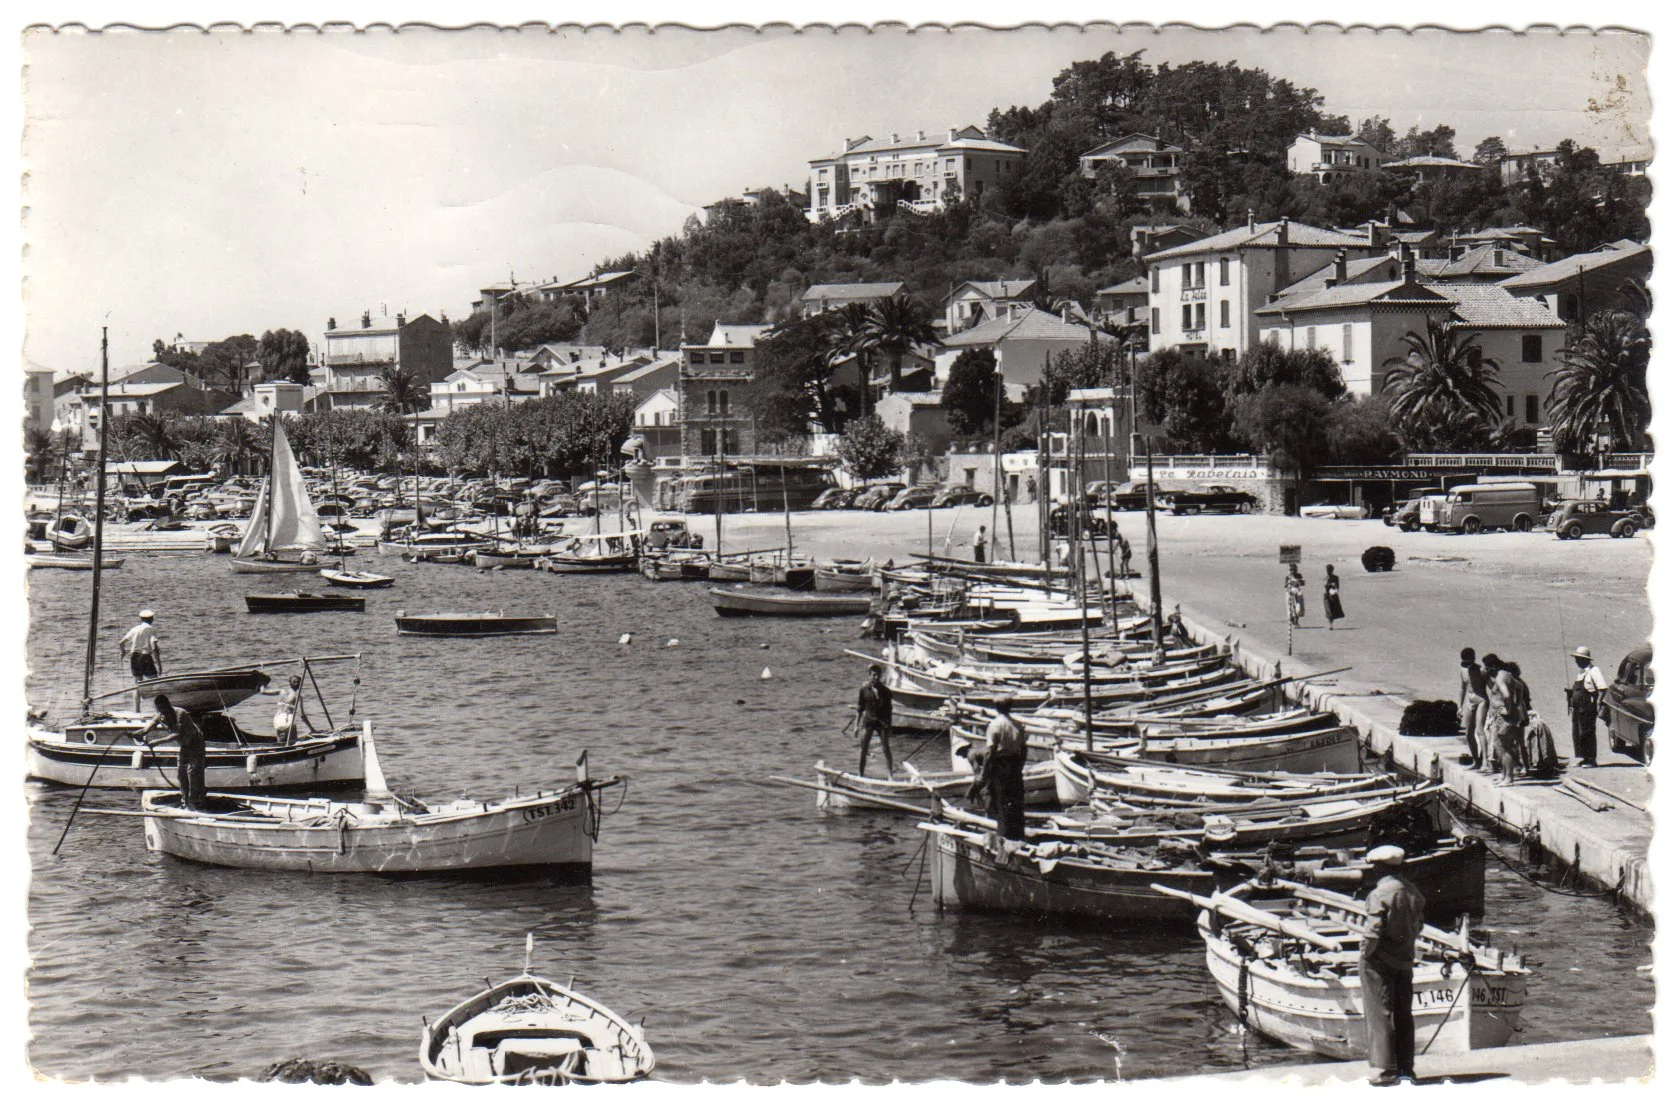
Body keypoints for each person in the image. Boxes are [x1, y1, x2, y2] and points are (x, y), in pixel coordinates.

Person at [1360, 845, 1424, 1085]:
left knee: (1381, 1014)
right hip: (1404, 959)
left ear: (1379, 867)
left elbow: (1373, 931)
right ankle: (1407, 1068)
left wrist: (1365, 954)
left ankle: (1386, 1070)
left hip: (1380, 961)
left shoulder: (1379, 894)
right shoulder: (1411, 890)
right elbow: (1420, 925)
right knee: (1403, 1014)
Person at [154, 695, 207, 811]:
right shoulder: (160, 716)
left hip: (196, 743)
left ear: (168, 705)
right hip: (185, 746)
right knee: (181, 772)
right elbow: (148, 727)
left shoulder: (180, 713)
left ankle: (196, 801)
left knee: (193, 771)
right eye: (159, 709)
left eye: (164, 709)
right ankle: (185, 800)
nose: (162, 712)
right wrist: (137, 733)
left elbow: (176, 734)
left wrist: (157, 741)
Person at [984, 698, 1027, 841]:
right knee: (1016, 799)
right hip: (1015, 763)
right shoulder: (1018, 724)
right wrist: (1021, 764)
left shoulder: (995, 725)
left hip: (1000, 763)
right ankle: (1018, 833)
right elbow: (1024, 748)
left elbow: (990, 750)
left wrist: (985, 771)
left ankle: (1004, 834)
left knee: (1001, 799)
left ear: (996, 707)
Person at [1566, 646, 1608, 768]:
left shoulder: (1594, 671)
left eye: (1578, 659)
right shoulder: (1581, 673)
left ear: (1585, 659)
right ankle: (1583, 758)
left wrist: (1598, 705)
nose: (1576, 661)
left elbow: (1602, 689)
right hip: (1578, 708)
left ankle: (1591, 760)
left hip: (1588, 708)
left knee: (1587, 732)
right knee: (1578, 733)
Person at [855, 665, 894, 778]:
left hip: (882, 722)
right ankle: (860, 774)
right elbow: (859, 709)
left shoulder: (886, 691)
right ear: (869, 675)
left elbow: (889, 710)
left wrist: (890, 726)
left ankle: (890, 775)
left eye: (878, 675)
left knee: (886, 748)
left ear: (881, 676)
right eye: (873, 675)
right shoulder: (863, 690)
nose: (876, 677)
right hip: (868, 722)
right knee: (863, 748)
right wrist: (856, 726)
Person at [1457, 647, 1488, 771]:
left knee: (1480, 730)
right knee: (1468, 732)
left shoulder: (1481, 670)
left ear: (1474, 660)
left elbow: (1492, 686)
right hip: (1470, 702)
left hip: (1481, 701)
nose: (1467, 666)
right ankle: (1476, 761)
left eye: (1469, 663)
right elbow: (1463, 688)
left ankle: (1485, 761)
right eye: (1465, 663)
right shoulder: (1463, 670)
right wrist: (1459, 707)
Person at [120, 609, 163, 682]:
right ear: (152, 619)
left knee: (138, 683)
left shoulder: (134, 629)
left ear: (141, 619)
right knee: (154, 682)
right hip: (145, 657)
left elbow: (121, 642)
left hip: (134, 658)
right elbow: (154, 648)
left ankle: (137, 693)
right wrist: (159, 665)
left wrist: (123, 652)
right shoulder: (151, 629)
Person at [272, 675, 309, 746]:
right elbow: (302, 716)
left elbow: (263, 691)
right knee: (293, 742)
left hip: (278, 719)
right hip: (288, 719)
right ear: (299, 685)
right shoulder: (298, 696)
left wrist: (260, 684)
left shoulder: (281, 691)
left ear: (289, 683)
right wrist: (312, 729)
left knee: (280, 744)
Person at [1323, 564, 1344, 630]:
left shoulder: (1335, 577)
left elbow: (1337, 587)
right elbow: (1324, 587)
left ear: (1332, 570)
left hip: (1333, 595)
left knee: (1333, 610)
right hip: (1326, 595)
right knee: (1328, 610)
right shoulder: (1326, 578)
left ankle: (1331, 624)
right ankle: (1330, 625)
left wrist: (1332, 586)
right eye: (1327, 570)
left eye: (1329, 570)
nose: (1328, 571)